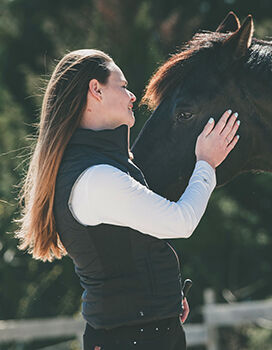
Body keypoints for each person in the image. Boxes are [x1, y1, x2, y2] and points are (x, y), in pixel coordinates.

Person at [14, 49, 240, 350]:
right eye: (122, 86)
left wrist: (165, 296)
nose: (133, 95)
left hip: (139, 332)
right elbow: (181, 222)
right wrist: (207, 163)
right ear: (95, 90)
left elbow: (127, 245)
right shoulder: (96, 176)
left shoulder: (95, 165)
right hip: (132, 338)